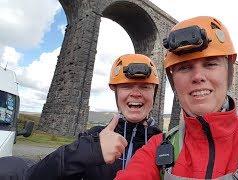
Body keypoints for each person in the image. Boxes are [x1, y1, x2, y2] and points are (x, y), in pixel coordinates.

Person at [115, 16, 238, 180]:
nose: (198, 77)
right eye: (185, 68)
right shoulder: (156, 149)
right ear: (173, 80)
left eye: (210, 64)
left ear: (229, 72)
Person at [0, 54, 162, 180]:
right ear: (116, 93)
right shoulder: (93, 136)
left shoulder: (165, 144)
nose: (135, 93)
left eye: (144, 87)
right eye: (126, 86)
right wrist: (90, 151)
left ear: (154, 94)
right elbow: (35, 176)